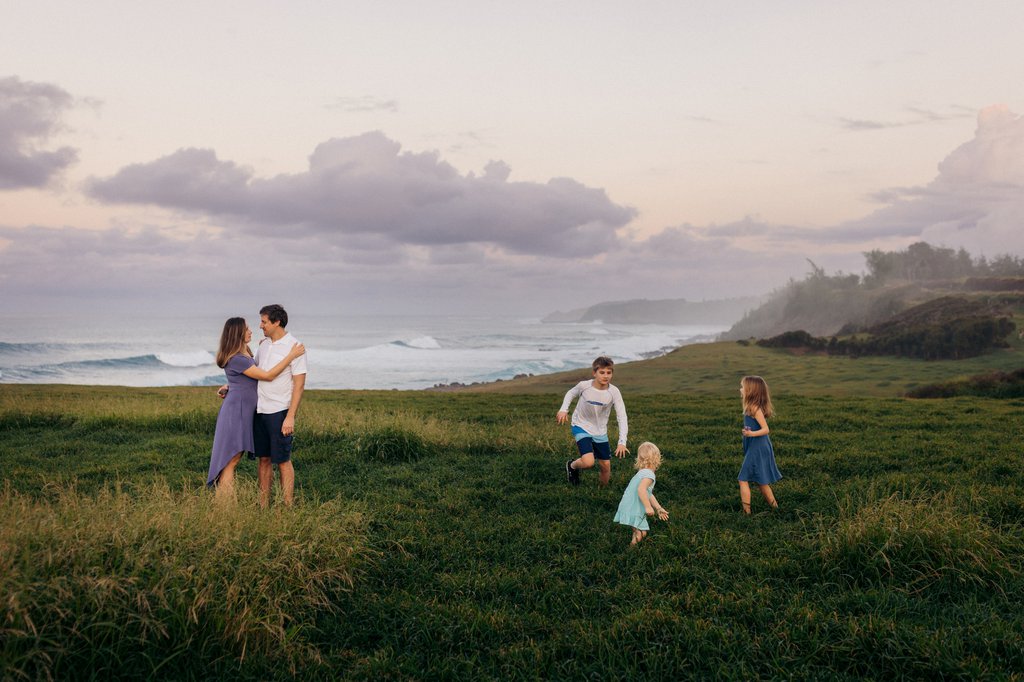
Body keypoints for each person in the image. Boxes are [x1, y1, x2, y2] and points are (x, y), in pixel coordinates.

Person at [207, 317, 305, 500]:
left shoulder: (246, 354)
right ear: (238, 333)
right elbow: (267, 376)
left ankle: (226, 506)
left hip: (244, 411)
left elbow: (245, 380)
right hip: (237, 412)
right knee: (231, 460)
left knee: (234, 458)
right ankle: (226, 508)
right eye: (247, 329)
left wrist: (230, 386)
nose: (252, 330)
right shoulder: (238, 359)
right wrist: (291, 356)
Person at [251, 304, 307, 507]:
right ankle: (263, 504)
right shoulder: (264, 345)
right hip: (260, 410)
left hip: (280, 411)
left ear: (276, 322)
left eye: (264, 321)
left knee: (282, 460)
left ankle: (287, 505)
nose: (260, 325)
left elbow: (299, 385)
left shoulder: (295, 347)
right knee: (263, 459)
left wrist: (290, 416)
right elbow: (254, 372)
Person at [557, 356, 628, 487]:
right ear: (594, 373)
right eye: (602, 372)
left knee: (605, 466)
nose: (605, 376)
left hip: (600, 431)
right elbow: (571, 393)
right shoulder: (584, 386)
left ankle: (602, 493)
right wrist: (563, 409)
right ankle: (572, 466)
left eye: (609, 372)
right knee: (589, 462)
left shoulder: (614, 392)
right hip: (581, 425)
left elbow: (622, 417)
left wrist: (622, 442)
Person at [737, 375, 782, 514]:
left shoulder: (755, 408)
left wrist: (751, 434)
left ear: (751, 390)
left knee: (742, 478)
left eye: (743, 387)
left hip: (759, 446)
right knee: (761, 480)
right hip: (755, 445)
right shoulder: (750, 407)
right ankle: (776, 508)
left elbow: (766, 429)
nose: (740, 389)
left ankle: (747, 512)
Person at [613, 442, 669, 545]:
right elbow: (641, 490)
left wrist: (658, 508)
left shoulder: (641, 472)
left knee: (639, 531)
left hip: (628, 505)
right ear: (657, 458)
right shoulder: (649, 475)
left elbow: (648, 493)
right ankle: (631, 552)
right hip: (635, 508)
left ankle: (634, 540)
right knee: (641, 533)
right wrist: (648, 507)